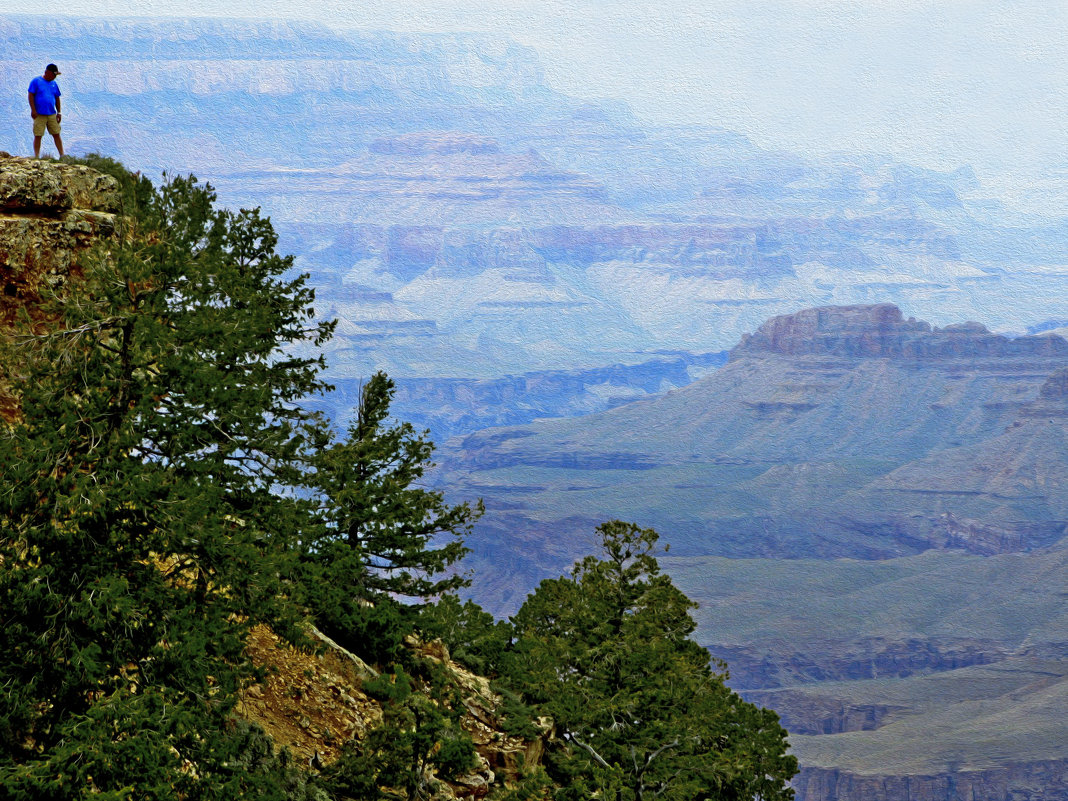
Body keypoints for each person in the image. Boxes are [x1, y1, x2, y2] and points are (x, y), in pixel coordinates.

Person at [28, 64, 64, 159]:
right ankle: (36, 156)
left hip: (52, 113)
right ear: (47, 72)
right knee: (38, 135)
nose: (55, 77)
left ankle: (62, 155)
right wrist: (33, 110)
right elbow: (31, 95)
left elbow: (57, 98)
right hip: (39, 114)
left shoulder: (54, 84)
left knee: (56, 133)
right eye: (53, 74)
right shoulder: (36, 81)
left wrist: (59, 112)